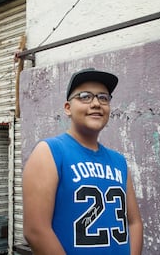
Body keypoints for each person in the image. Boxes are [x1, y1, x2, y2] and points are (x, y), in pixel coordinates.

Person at [22, 67, 143, 255]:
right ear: (68, 108)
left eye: (103, 97)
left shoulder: (119, 161)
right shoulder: (49, 152)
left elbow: (134, 222)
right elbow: (35, 230)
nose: (96, 103)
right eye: (85, 96)